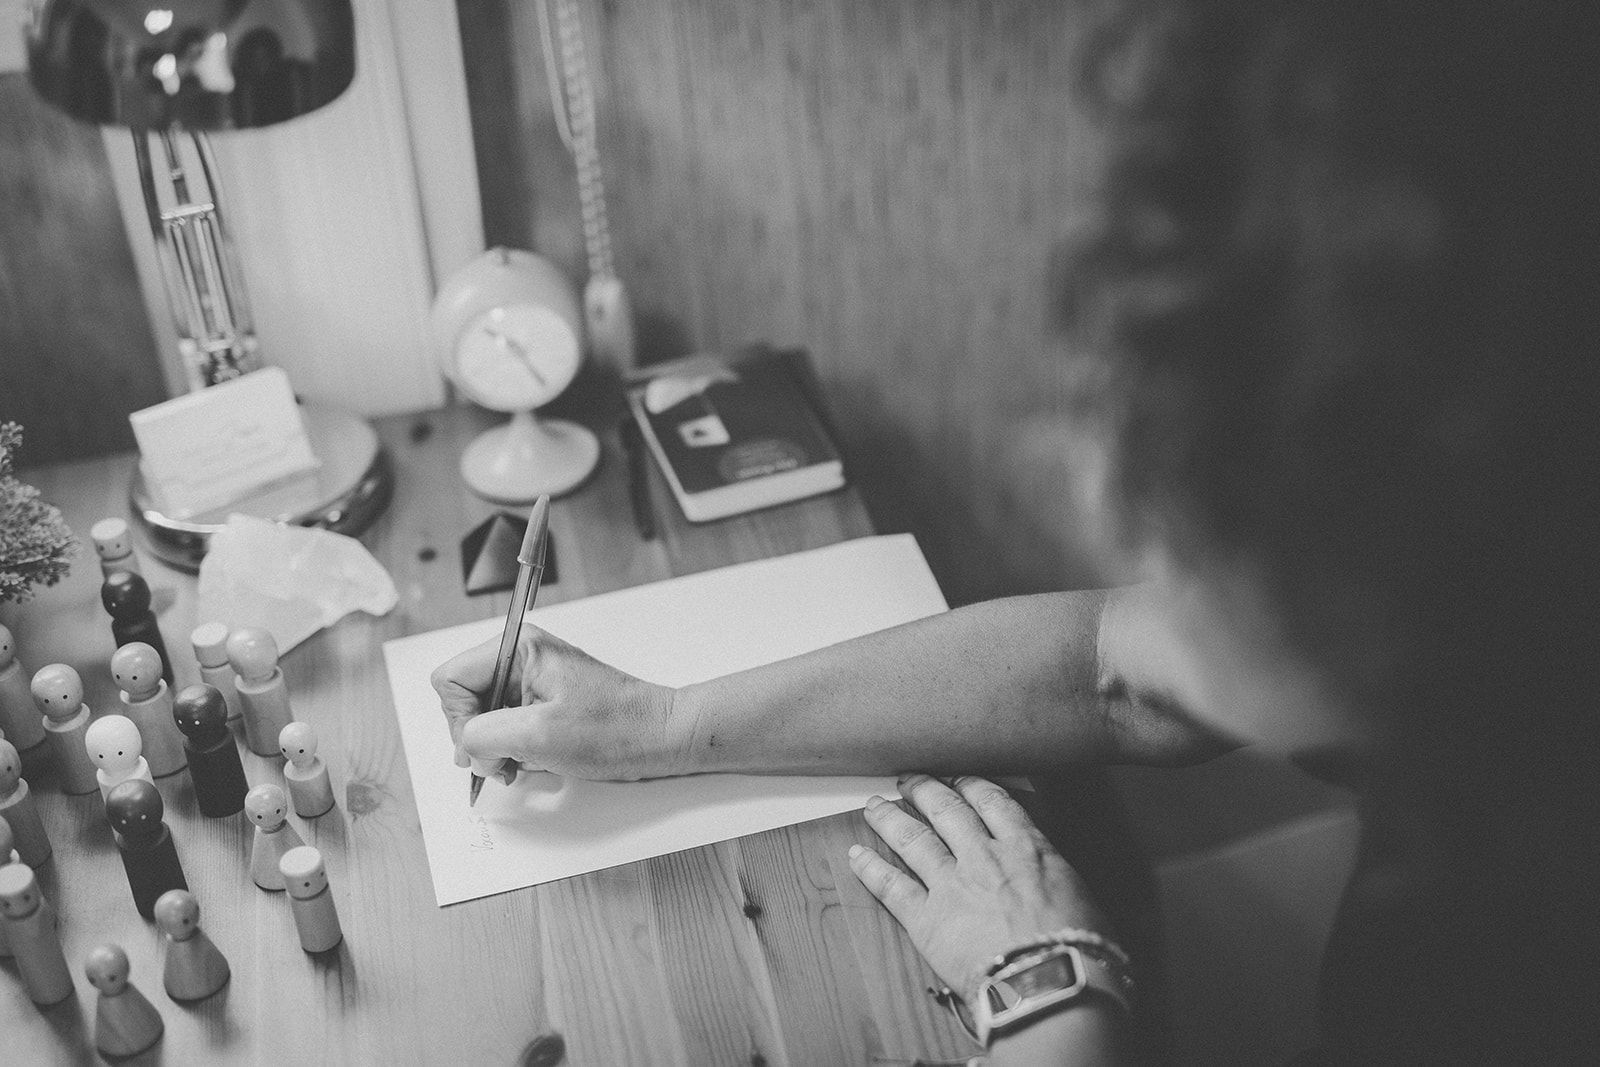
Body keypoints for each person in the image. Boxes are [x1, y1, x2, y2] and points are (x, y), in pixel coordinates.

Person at [434, 2, 1597, 1062]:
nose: (1099, 501)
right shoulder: (1475, 607)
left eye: (1189, 529)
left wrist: (1054, 999)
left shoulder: (1508, 980)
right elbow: (1117, 678)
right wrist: (662, 723)